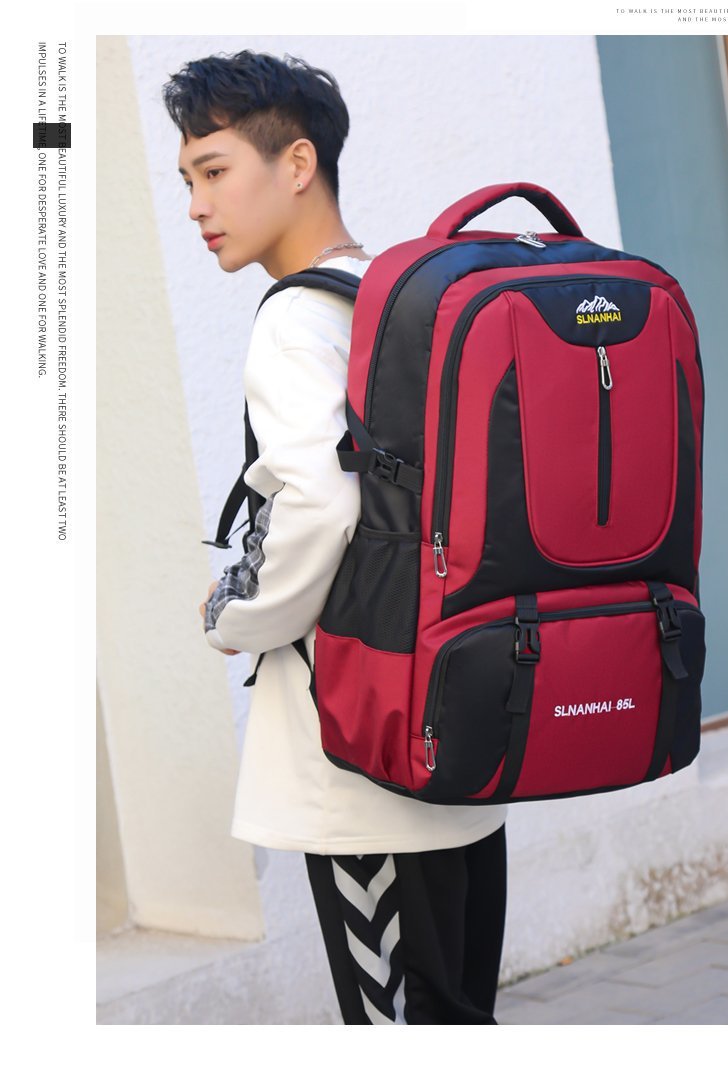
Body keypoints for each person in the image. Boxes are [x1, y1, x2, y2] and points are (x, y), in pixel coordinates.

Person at [163, 49, 508, 1025]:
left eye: (215, 170)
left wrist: (235, 616)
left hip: (361, 759)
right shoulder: (405, 299)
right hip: (458, 737)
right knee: (459, 1018)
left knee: (394, 1025)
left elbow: (318, 502)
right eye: (186, 180)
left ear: (299, 163)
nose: (196, 205)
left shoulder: (295, 322)